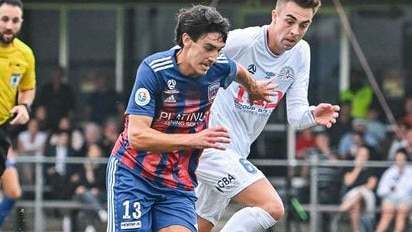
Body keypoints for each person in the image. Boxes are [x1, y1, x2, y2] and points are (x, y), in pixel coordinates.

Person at [105, 4, 276, 232]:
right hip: (134, 174)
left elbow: (236, 69)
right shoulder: (154, 70)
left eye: (218, 49)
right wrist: (195, 139)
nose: (214, 57)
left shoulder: (218, 66)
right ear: (186, 40)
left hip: (176, 181)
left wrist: (254, 88)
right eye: (208, 48)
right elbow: (137, 137)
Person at [194, 0, 340, 231]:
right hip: (210, 143)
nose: (295, 31)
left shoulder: (301, 53)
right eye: (289, 21)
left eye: (304, 25)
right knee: (272, 206)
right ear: (274, 16)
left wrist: (312, 114)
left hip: (238, 152)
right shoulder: (244, 40)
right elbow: (188, 54)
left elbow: (296, 116)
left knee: (198, 226)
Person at [0, 0, 36, 177]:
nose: (9, 25)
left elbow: (27, 88)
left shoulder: (25, 54)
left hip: (2, 127)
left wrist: (23, 106)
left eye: (15, 21)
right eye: (4, 19)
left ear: (21, 22)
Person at [339, 146, 378, 232]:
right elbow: (348, 182)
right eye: (360, 155)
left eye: (365, 155)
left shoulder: (371, 169)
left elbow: (371, 185)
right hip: (350, 195)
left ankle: (342, 209)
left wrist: (360, 189)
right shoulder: (349, 167)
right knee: (356, 204)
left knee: (359, 195)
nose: (362, 157)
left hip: (366, 195)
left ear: (368, 157)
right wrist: (358, 168)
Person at [375, 148, 412, 232]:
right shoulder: (390, 172)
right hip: (390, 198)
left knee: (401, 212)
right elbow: (381, 190)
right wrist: (390, 190)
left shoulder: (411, 171)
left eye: (402, 157)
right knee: (387, 214)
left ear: (405, 158)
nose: (400, 160)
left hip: (406, 199)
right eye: (398, 158)